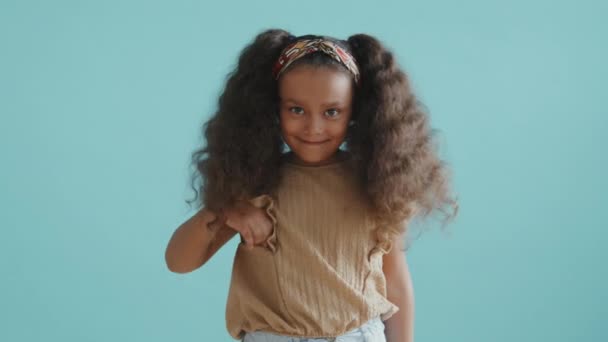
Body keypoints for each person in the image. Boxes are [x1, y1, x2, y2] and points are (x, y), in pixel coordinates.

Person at [165, 29, 459, 342]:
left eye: (332, 112)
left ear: (356, 112)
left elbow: (396, 281)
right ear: (271, 109)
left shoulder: (378, 185)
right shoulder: (253, 187)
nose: (314, 127)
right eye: (296, 110)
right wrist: (224, 211)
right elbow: (178, 261)